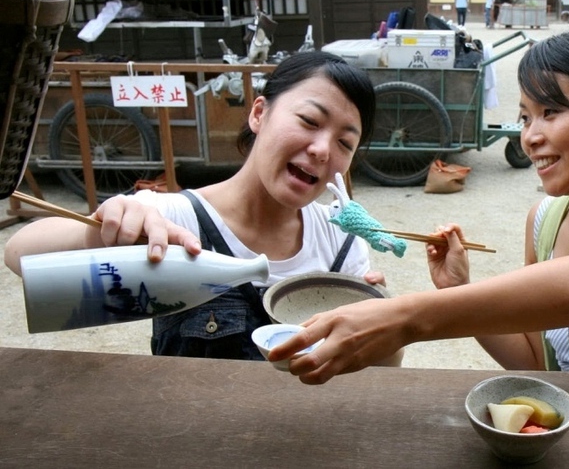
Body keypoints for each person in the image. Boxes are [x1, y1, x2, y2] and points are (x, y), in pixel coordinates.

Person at [268, 26, 569, 384]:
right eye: (524, 115)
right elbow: (537, 363)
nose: (530, 136)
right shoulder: (544, 221)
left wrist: (406, 319)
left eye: (551, 112)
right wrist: (458, 286)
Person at [4, 50, 399, 362]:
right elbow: (19, 257)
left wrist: (385, 327)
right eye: (310, 121)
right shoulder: (170, 220)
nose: (321, 149)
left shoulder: (341, 242)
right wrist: (96, 231)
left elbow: (377, 375)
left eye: (345, 143)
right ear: (260, 113)